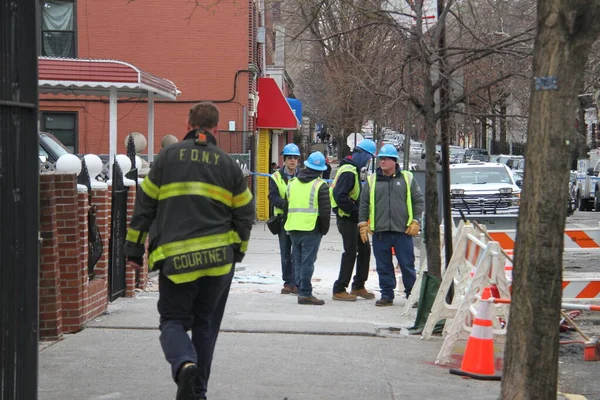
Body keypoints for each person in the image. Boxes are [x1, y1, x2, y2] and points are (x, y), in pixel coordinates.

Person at [124, 102, 255, 399]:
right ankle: (197, 393)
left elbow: (144, 205)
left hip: (176, 262)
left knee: (172, 321)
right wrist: (237, 249)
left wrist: (133, 249)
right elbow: (246, 212)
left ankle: (184, 364)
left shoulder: (167, 158)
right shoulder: (228, 165)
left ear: (188, 124)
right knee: (205, 327)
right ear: (216, 128)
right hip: (218, 263)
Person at [358, 144, 424, 307]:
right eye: (381, 159)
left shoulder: (407, 178)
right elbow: (364, 203)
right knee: (383, 265)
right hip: (380, 231)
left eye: (386, 159)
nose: (382, 162)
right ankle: (387, 295)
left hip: (403, 230)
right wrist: (362, 223)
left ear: (394, 161)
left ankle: (411, 294)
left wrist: (416, 220)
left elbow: (418, 201)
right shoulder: (372, 180)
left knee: (407, 264)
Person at [330, 139, 376, 301]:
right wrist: (356, 213)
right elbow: (340, 196)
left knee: (364, 250)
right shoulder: (349, 172)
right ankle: (340, 288)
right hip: (347, 219)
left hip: (352, 218)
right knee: (350, 252)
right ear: (363, 155)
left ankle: (358, 286)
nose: (369, 161)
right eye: (369, 157)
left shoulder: (353, 170)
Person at [284, 151, 331, 305]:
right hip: (311, 228)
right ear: (320, 170)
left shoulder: (292, 183)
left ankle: (299, 287)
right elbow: (325, 212)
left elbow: (287, 205)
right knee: (307, 262)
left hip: (293, 227)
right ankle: (305, 293)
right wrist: (324, 229)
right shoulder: (320, 185)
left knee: (297, 259)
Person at [268, 143, 301, 294]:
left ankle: (296, 281)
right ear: (285, 160)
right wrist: (285, 205)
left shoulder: (302, 176)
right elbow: (272, 196)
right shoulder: (275, 177)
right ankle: (288, 282)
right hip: (282, 219)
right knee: (285, 252)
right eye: (290, 158)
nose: (293, 161)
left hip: (298, 218)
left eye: (295, 158)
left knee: (298, 252)